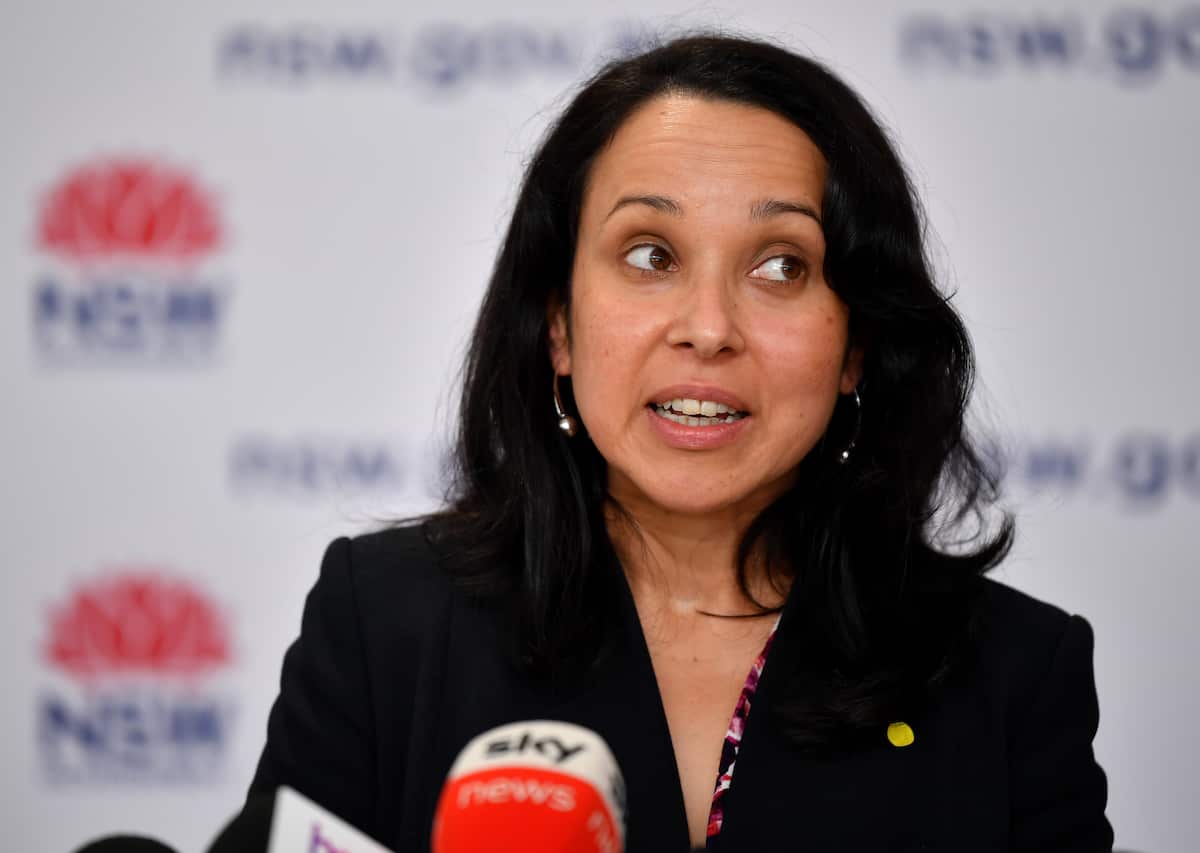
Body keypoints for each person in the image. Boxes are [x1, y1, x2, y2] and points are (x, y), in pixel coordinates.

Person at [248, 34, 1113, 852]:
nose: (708, 329)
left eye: (781, 266)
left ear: (856, 346)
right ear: (558, 324)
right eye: (651, 254)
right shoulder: (382, 625)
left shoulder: (1014, 673)